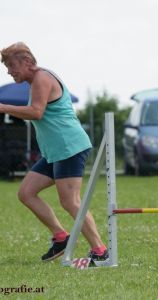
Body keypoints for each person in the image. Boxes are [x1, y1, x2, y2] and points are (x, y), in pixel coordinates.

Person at [0, 42, 108, 263]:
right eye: (7, 67)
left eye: (12, 65)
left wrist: (3, 107)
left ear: (28, 61)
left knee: (70, 201)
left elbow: (36, 112)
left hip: (69, 146)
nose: (9, 71)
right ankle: (61, 237)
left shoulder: (42, 78)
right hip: (54, 151)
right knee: (26, 193)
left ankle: (100, 250)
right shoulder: (35, 81)